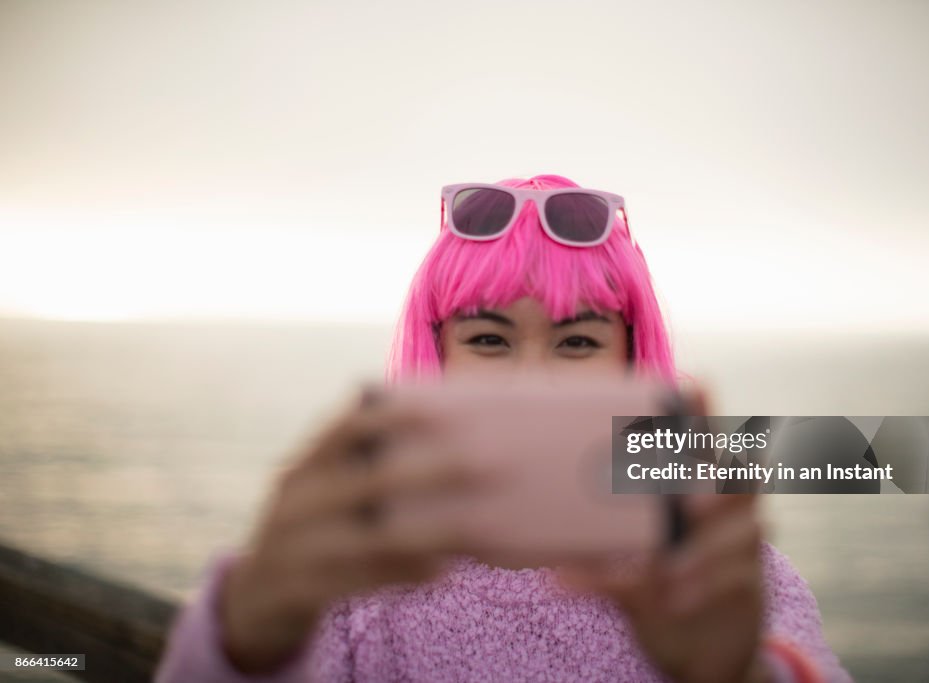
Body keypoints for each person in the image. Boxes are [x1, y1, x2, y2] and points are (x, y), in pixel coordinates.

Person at [154, 174, 853, 682]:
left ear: (632, 360)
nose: (531, 378)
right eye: (488, 340)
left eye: (577, 343)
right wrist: (240, 641)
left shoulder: (716, 571)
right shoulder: (362, 576)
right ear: (438, 355)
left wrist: (744, 676)